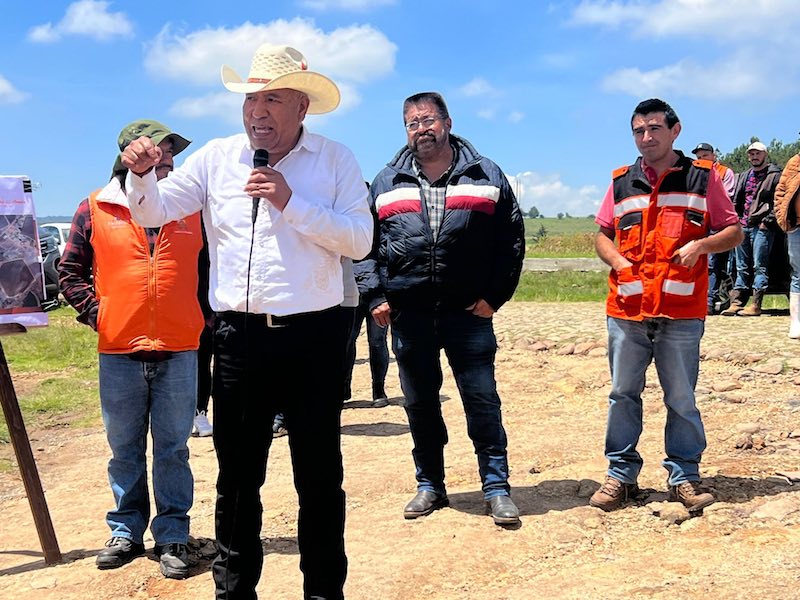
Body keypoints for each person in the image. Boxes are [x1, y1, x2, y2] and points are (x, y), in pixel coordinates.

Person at [120, 44, 372, 600]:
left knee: (319, 476)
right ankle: (234, 592)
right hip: (238, 339)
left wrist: (292, 203)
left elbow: (360, 239)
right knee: (237, 477)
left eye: (272, 98)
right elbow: (153, 211)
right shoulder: (215, 158)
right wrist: (141, 176)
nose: (257, 110)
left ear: (302, 106)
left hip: (315, 335)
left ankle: (324, 591)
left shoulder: (335, 160)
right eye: (250, 98)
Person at [365, 91, 525, 526]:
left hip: (468, 314)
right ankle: (430, 484)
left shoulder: (486, 174)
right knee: (419, 404)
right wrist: (376, 295)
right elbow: (365, 247)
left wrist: (495, 296)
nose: (422, 128)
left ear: (448, 122)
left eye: (428, 119)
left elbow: (510, 242)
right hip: (410, 315)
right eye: (412, 123)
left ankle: (496, 487)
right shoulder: (385, 182)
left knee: (482, 401)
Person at [58, 120, 202, 578]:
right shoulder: (95, 207)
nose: (166, 164)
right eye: (157, 155)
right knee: (124, 448)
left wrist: (201, 318)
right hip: (118, 352)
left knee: (174, 448)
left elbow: (213, 269)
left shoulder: (191, 208)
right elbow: (70, 271)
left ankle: (173, 532)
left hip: (180, 349)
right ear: (128, 158)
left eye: (170, 157)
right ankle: (125, 528)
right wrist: (99, 315)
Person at [590, 98, 743, 513]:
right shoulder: (621, 182)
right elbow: (603, 234)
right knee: (623, 394)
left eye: (654, 128)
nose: (646, 137)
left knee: (681, 398)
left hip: (680, 312)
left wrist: (702, 245)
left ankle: (684, 476)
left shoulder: (702, 179)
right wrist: (619, 261)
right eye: (639, 130)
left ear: (675, 131)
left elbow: (734, 231)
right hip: (627, 309)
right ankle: (620, 477)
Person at [721, 141, 782, 316]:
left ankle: (756, 304)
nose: (754, 157)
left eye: (758, 153)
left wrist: (767, 221)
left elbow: (778, 201)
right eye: (752, 154)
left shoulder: (774, 175)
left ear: (765, 155)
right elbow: (736, 201)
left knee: (759, 266)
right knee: (741, 266)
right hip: (743, 226)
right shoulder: (744, 176)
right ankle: (737, 302)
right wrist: (736, 220)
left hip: (762, 226)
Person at [691, 143, 736, 314]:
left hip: (718, 224)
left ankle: (709, 301)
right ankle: (698, 299)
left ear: (713, 156)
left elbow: (726, 197)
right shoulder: (694, 173)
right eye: (699, 157)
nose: (701, 159)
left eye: (704, 156)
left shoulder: (725, 172)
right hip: (698, 223)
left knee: (712, 263)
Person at [343, 254, 391, 408]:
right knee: (347, 342)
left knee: (377, 341)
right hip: (350, 288)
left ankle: (378, 390)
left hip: (376, 290)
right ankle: (344, 388)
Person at [775, 144, 800, 338]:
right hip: (796, 226)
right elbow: (780, 192)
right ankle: (796, 323)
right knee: (798, 274)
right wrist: (782, 217)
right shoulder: (794, 162)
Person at [194, 226, 214, 437]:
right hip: (193, 307)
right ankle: (199, 413)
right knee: (199, 364)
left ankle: (200, 412)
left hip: (220, 306)